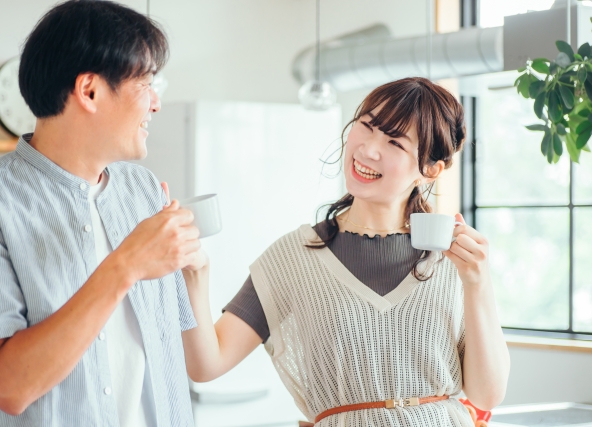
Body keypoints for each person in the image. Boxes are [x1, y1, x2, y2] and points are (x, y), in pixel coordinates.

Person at [180, 77, 510, 426]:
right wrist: (195, 273)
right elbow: (207, 364)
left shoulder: (455, 258)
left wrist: (478, 283)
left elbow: (487, 394)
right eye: (366, 126)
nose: (368, 149)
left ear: (430, 170)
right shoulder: (294, 257)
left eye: (394, 142)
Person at [0, 1, 205, 426]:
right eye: (145, 84)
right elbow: (9, 387)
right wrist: (124, 266)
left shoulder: (144, 191)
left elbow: (172, 356)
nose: (157, 104)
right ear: (89, 90)